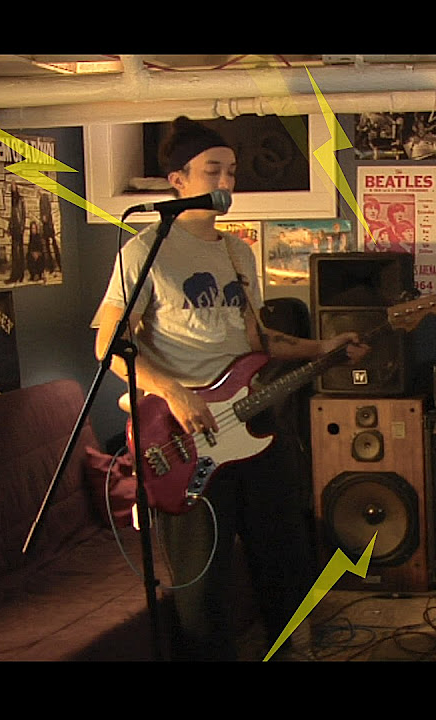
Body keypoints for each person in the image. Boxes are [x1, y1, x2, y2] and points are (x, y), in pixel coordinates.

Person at [91, 116, 369, 661]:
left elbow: (259, 340)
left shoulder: (237, 253)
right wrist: (174, 393)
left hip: (252, 420)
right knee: (202, 582)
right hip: (185, 433)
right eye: (212, 170)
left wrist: (326, 346)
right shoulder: (144, 252)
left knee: (284, 554)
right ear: (177, 181)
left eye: (232, 171)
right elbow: (108, 345)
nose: (226, 181)